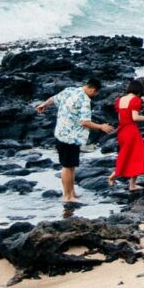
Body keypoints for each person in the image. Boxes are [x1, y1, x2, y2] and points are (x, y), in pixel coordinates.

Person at [33, 78, 108, 208]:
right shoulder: (84, 100)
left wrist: (44, 104)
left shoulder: (69, 90)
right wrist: (101, 127)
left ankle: (71, 192)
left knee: (71, 166)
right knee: (67, 167)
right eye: (95, 93)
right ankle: (68, 196)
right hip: (71, 137)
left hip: (61, 133)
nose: (94, 96)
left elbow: (53, 99)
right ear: (92, 89)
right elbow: (84, 122)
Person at [112, 85, 144, 195]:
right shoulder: (135, 100)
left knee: (129, 155)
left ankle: (132, 184)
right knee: (136, 155)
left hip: (122, 130)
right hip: (131, 130)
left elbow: (120, 118)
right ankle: (114, 177)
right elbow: (135, 117)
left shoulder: (120, 100)